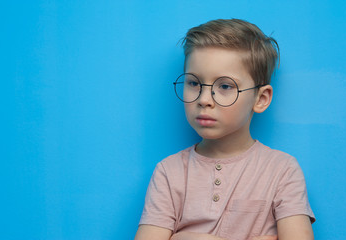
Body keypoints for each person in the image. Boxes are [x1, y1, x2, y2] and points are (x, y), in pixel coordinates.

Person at [135, 19, 315, 240]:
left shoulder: (282, 170)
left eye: (225, 86)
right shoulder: (169, 172)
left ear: (261, 99)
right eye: (194, 83)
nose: (204, 99)